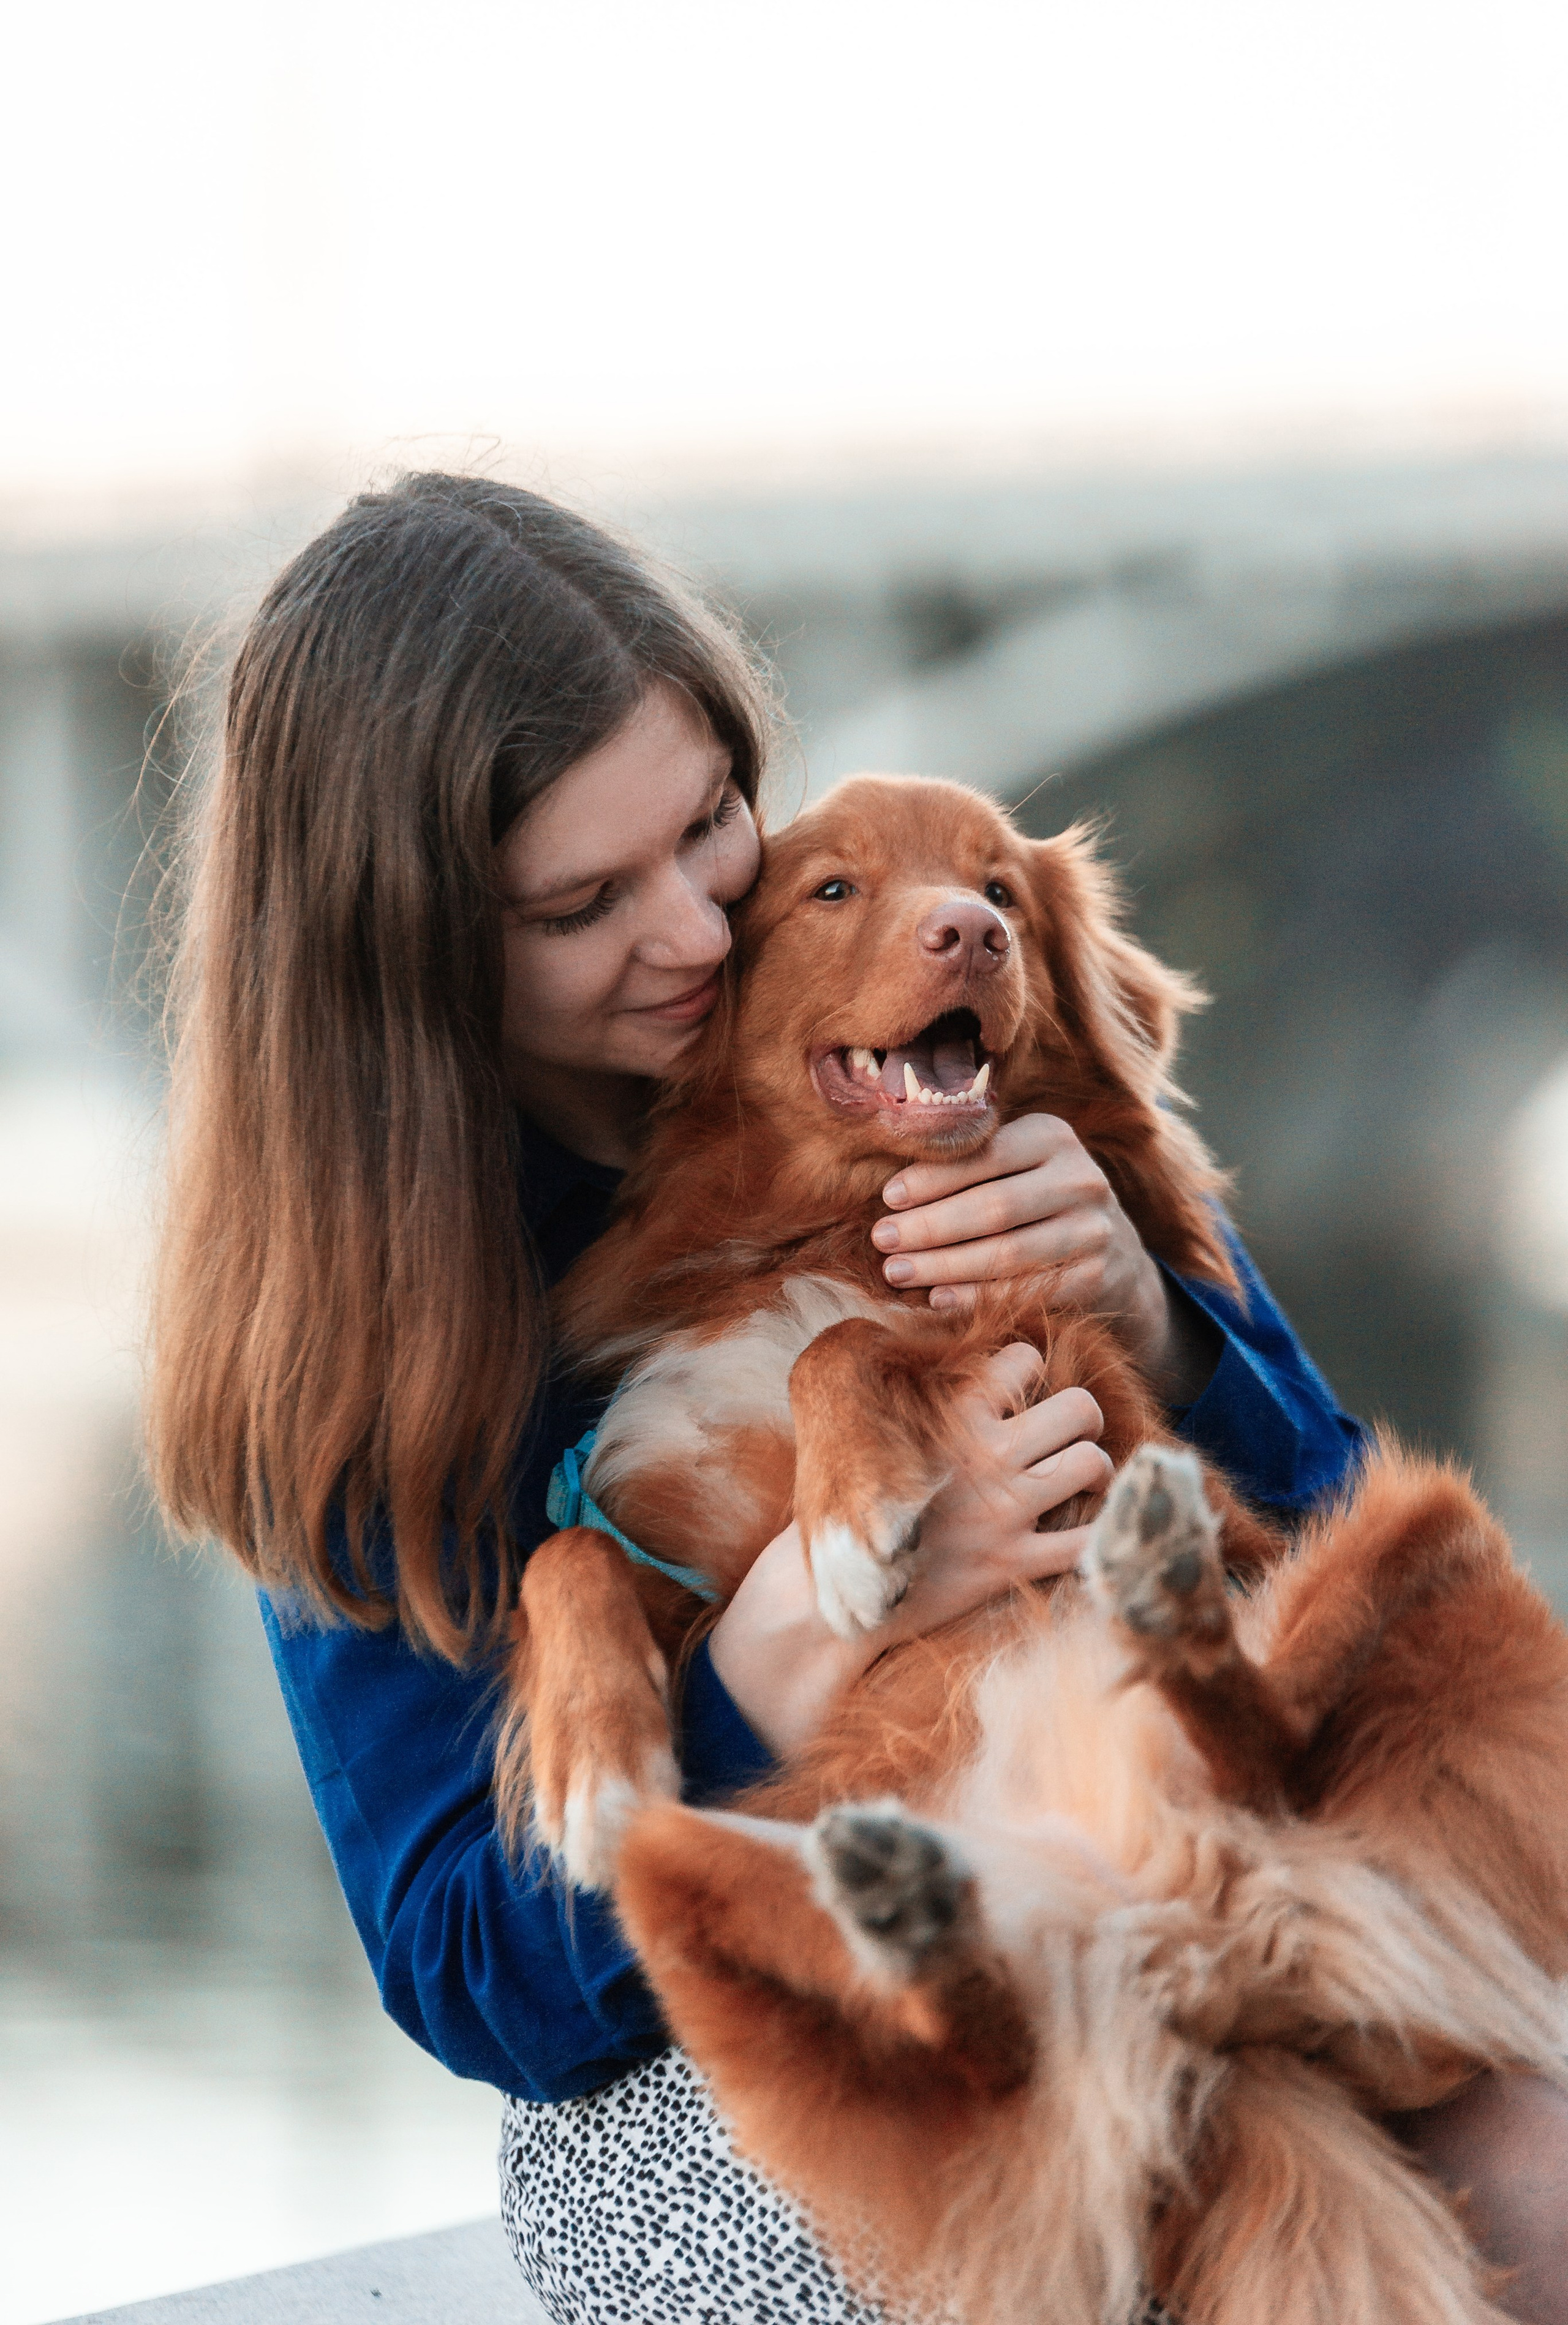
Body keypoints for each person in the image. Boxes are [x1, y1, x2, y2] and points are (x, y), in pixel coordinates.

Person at [146, 472, 1567, 2325]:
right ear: (417, 946)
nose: (693, 932)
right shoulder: (367, 1304)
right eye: (585, 902)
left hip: (1178, 1843)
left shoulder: (925, 1044)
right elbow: (465, 1962)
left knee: (1529, 2155)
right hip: (713, 2044)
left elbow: (1365, 1580)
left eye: (713, 826)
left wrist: (1158, 1314)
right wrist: (772, 1662)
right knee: (1195, 2188)